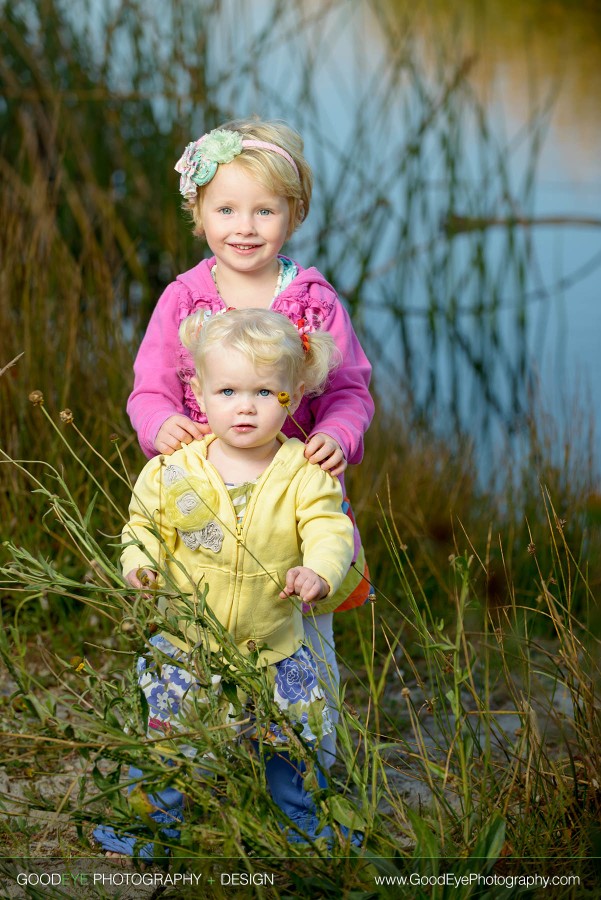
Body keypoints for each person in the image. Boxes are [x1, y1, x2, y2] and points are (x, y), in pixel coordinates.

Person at [126, 118, 374, 768]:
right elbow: (148, 388)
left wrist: (336, 433)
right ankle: (196, 759)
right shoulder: (185, 300)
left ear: (292, 214)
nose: (244, 226)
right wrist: (159, 425)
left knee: (304, 639)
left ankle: (308, 763)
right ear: (198, 211)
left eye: (264, 210)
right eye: (226, 208)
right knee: (199, 629)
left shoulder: (313, 304)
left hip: (292, 504)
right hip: (206, 500)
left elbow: (349, 388)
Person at [93, 309, 357, 858]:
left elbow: (331, 530)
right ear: (199, 391)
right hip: (189, 640)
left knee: (289, 737)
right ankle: (160, 826)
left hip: (274, 642)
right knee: (172, 736)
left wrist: (320, 571)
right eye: (229, 390)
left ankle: (299, 823)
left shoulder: (303, 473)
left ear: (294, 393)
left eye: (265, 392)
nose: (245, 405)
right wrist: (140, 563)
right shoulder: (174, 469)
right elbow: (142, 524)